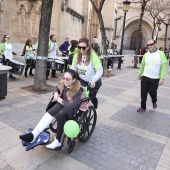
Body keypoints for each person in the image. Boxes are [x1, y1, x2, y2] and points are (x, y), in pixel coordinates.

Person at [19, 69, 88, 150]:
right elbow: (56, 87)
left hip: (73, 109)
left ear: (73, 80)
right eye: (64, 78)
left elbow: (73, 105)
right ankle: (33, 134)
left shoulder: (78, 90)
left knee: (61, 113)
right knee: (50, 112)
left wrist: (61, 101)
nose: (65, 80)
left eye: (67, 79)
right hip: (63, 104)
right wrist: (55, 92)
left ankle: (58, 141)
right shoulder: (63, 83)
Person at [71, 37, 103, 114]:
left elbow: (100, 70)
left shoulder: (93, 55)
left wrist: (93, 80)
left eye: (83, 48)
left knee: (91, 96)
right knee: (82, 97)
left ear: (88, 47)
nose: (81, 50)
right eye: (79, 47)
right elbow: (73, 67)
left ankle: (96, 107)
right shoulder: (77, 54)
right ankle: (82, 112)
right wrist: (69, 76)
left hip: (94, 81)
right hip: (83, 80)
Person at [137, 39, 167, 112]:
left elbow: (163, 67)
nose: (149, 46)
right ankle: (143, 107)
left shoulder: (161, 54)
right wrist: (139, 74)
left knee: (152, 92)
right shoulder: (146, 54)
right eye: (148, 45)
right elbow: (143, 65)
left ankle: (154, 101)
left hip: (155, 78)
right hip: (145, 76)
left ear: (155, 44)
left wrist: (162, 78)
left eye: (151, 44)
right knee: (143, 93)